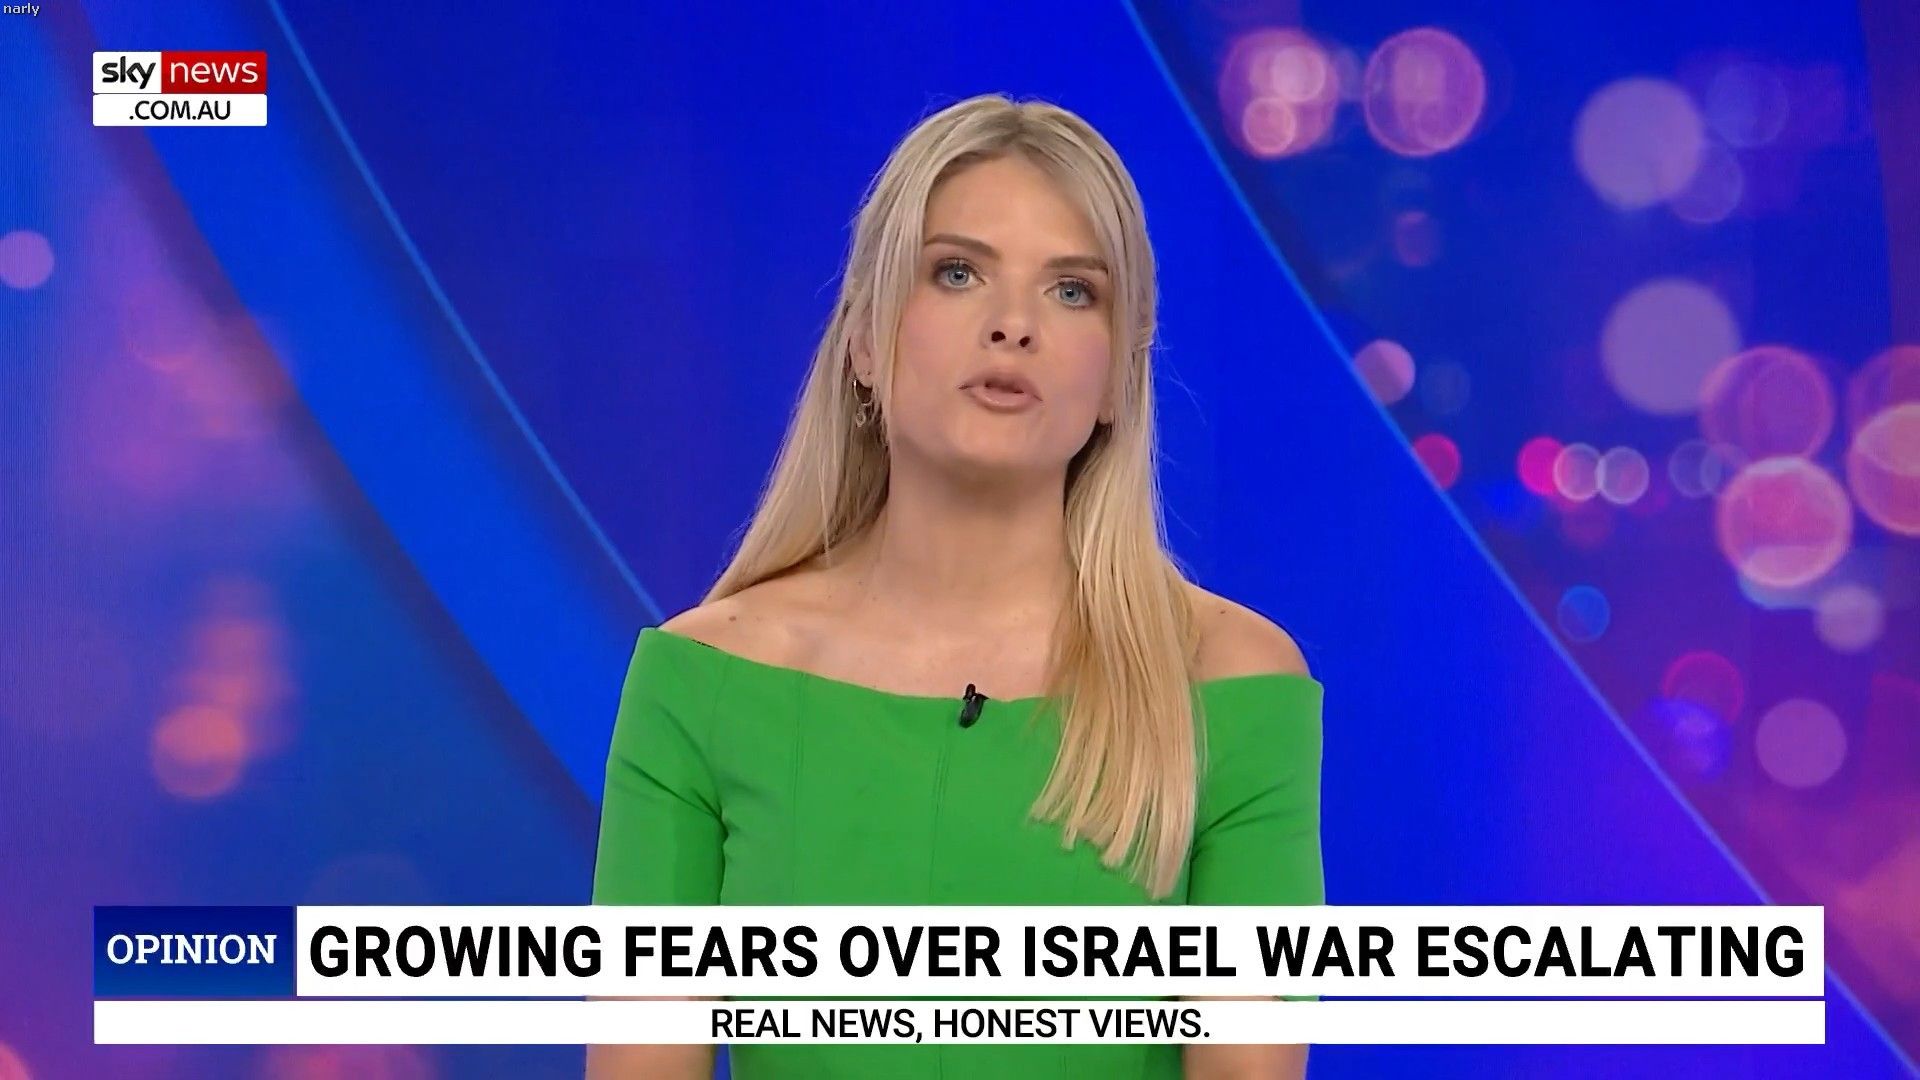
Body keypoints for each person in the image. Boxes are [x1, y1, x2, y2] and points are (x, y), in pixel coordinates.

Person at [588, 92, 1322, 1080]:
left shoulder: (1228, 684)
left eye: (1072, 291)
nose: (1013, 325)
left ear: (1119, 375)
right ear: (863, 339)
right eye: (958, 273)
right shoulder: (703, 683)